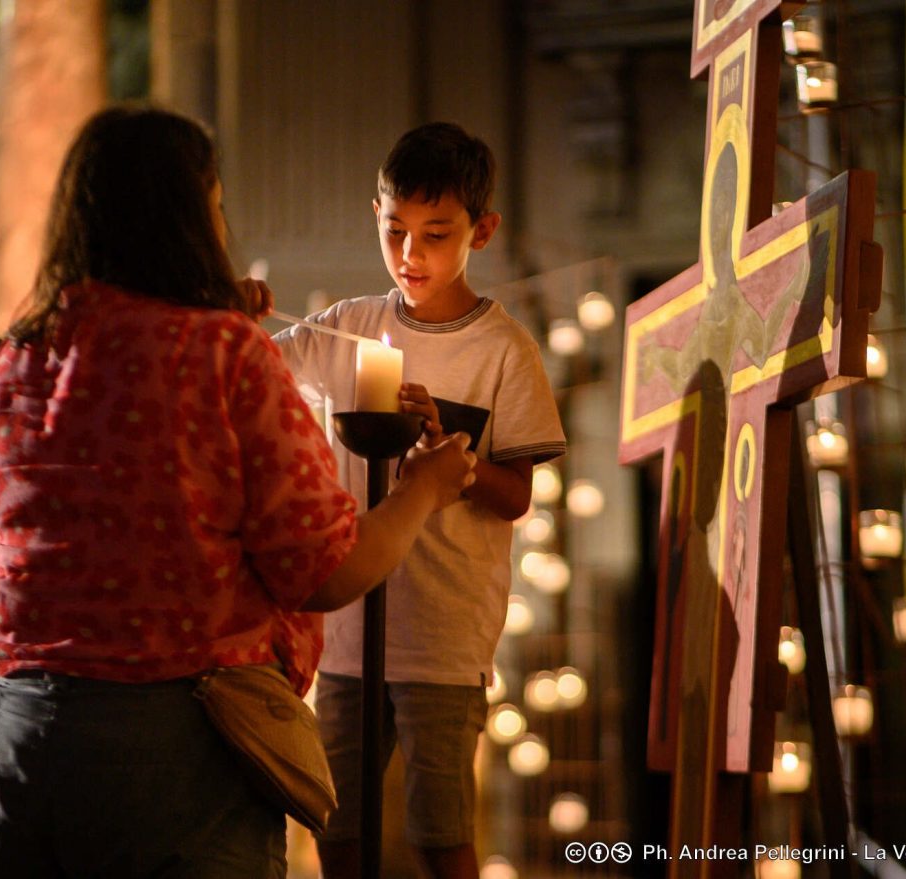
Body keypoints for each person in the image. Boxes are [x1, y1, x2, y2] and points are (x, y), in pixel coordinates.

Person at [0, 104, 477, 879]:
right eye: (215, 204)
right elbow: (325, 568)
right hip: (170, 750)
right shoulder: (222, 352)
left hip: (14, 738)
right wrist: (423, 489)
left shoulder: (22, 356)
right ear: (190, 215)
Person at [275, 121, 567, 878]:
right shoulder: (348, 328)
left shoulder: (503, 349)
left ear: (484, 230)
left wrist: (455, 457)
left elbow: (518, 495)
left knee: (442, 833)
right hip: (344, 622)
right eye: (395, 230)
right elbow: (255, 365)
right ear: (375, 212)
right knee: (333, 826)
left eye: (436, 235)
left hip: (443, 632)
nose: (411, 255)